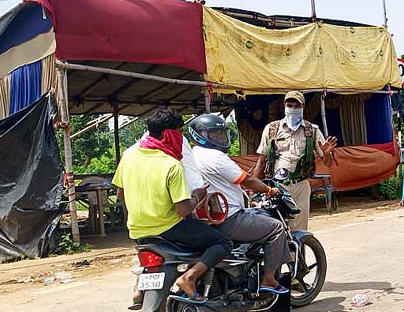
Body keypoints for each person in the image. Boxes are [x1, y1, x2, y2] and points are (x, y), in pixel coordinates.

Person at [113, 108, 232, 300]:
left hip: (137, 231)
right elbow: (183, 209)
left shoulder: (129, 157)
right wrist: (197, 195)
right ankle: (190, 277)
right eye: (179, 132)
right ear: (170, 134)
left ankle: (139, 288)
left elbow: (120, 194)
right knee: (222, 242)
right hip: (169, 228)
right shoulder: (171, 164)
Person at [188, 114, 288, 293]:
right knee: (276, 228)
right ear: (200, 135)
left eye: (221, 134)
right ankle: (269, 279)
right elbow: (247, 179)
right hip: (228, 218)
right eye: (214, 135)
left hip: (203, 219)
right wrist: (269, 190)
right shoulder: (215, 157)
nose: (220, 138)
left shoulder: (191, 156)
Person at [252, 91, 338, 232]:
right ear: (284, 106)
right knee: (277, 227)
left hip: (301, 186)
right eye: (290, 105)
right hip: (276, 186)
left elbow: (328, 163)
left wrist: (327, 153)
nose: (293, 109)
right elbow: (261, 161)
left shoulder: (312, 130)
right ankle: (282, 254)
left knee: (300, 229)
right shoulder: (272, 129)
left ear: (303, 107)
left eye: (297, 106)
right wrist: (253, 189)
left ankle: (299, 254)